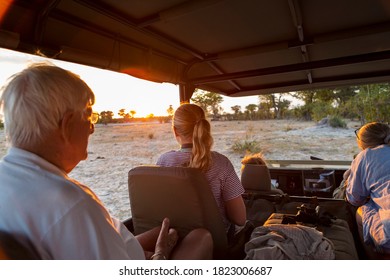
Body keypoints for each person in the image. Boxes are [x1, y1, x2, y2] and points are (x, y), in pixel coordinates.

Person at [0, 63, 213, 260]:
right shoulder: (73, 206)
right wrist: (160, 255)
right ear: (67, 124)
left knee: (164, 230)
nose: (92, 128)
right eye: (89, 116)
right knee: (200, 238)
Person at [156, 103, 246, 233]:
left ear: (175, 131)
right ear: (204, 128)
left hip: (176, 237)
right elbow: (240, 218)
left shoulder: (164, 161)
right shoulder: (221, 163)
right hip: (215, 243)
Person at [346, 122, 390, 253]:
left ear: (363, 142)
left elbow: (354, 199)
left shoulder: (365, 156)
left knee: (361, 211)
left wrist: (347, 179)